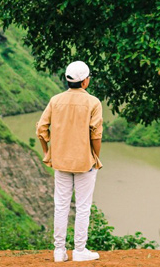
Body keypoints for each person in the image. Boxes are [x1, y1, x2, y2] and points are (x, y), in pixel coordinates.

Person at [37, 60, 104, 262]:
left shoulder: (55, 100)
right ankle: (80, 250)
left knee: (61, 205)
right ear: (85, 81)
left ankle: (59, 251)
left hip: (61, 161)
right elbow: (96, 135)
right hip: (85, 162)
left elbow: (41, 129)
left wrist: (48, 152)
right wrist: (95, 157)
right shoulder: (93, 102)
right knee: (83, 206)